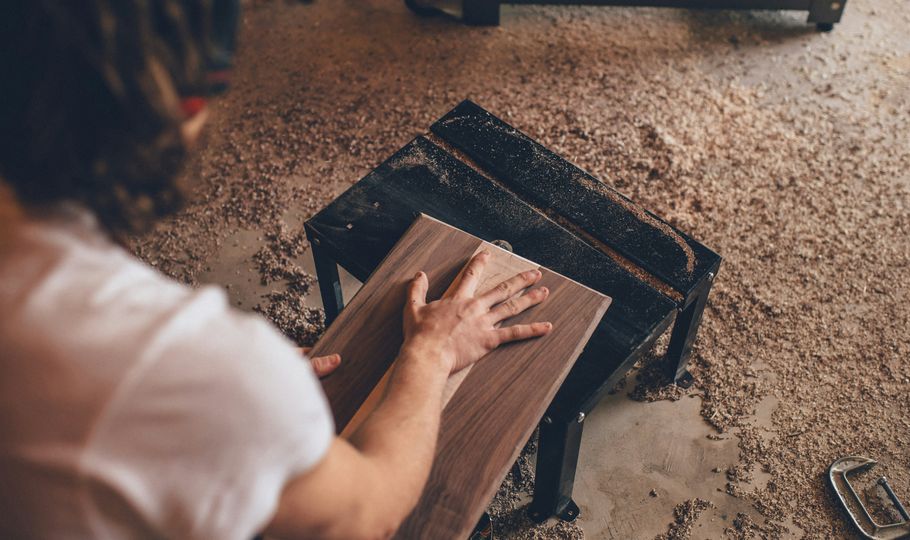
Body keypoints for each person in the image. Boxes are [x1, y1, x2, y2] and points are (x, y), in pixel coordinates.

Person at [0, 1, 553, 538]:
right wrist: (432, 352)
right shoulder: (182, 368)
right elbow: (369, 514)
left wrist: (240, 403)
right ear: (186, 105)